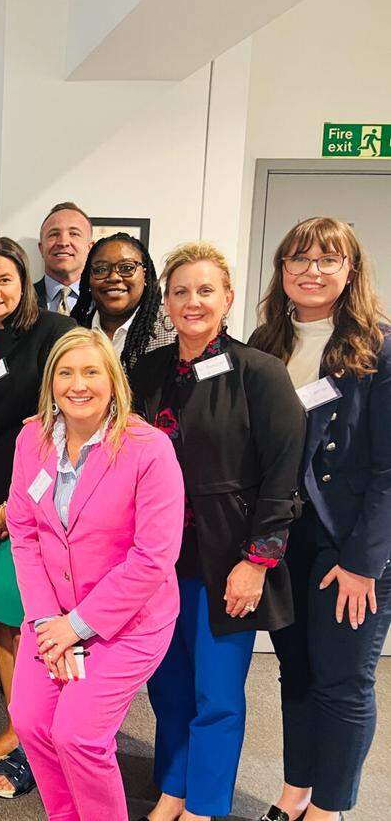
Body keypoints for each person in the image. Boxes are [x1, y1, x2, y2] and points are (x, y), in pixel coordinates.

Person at [130, 242, 306, 821]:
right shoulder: (146, 372)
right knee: (170, 688)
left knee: (219, 696)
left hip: (228, 562)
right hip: (159, 561)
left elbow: (283, 477)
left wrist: (257, 561)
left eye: (206, 290)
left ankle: (204, 806)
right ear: (166, 302)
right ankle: (174, 790)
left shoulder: (260, 372)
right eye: (180, 291)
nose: (192, 301)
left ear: (227, 299)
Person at [7, 328, 185, 821]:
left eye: (91, 371)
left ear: (113, 380)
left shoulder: (149, 450)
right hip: (52, 616)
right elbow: (23, 534)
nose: (77, 384)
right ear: (51, 382)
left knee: (78, 736)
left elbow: (153, 557)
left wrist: (77, 627)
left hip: (126, 621)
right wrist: (48, 622)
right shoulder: (32, 439)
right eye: (66, 373)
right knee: (31, 722)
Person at [249, 218, 391, 821]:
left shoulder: (377, 347)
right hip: (283, 538)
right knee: (296, 673)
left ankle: (330, 809)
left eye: (327, 260)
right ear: (281, 271)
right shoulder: (266, 340)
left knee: (344, 682)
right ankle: (294, 791)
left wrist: (363, 563)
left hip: (347, 543)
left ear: (350, 270)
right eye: (298, 259)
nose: (311, 270)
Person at [0, 237, 76, 797]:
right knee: (2, 623)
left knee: (36, 625)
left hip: (32, 509)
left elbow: (65, 426)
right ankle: (19, 724)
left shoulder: (52, 335)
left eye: (4, 279)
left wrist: (16, 502)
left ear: (24, 283)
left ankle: (39, 740)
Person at [69, 232, 175, 375]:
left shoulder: (173, 330)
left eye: (127, 268)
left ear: (144, 275)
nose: (113, 277)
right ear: (89, 278)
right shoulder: (73, 331)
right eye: (100, 270)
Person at [33, 202, 92, 315]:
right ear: (41, 248)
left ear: (90, 248)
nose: (63, 242)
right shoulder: (20, 299)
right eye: (54, 234)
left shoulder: (104, 300)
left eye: (74, 234)